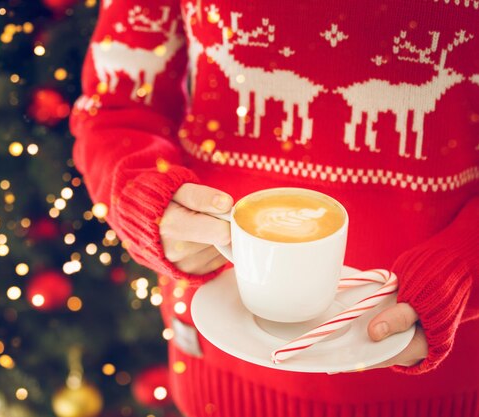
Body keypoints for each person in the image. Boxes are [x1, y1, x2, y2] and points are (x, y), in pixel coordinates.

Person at [70, 1, 479, 416]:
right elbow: (117, 105)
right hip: (219, 371)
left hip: (440, 377)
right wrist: (143, 194)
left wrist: (468, 264)